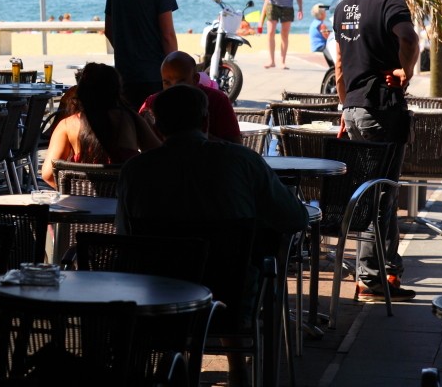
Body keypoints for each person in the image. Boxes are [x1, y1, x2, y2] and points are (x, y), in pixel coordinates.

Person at [115, 84, 307, 387]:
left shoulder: (136, 171)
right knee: (237, 267)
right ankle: (237, 367)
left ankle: (174, 362)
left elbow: (125, 240)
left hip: (160, 304)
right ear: (205, 121)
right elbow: (295, 218)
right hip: (229, 304)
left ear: (159, 126)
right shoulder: (242, 162)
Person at [333, 0, 420, 301]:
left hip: (353, 106)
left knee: (372, 191)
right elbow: (410, 39)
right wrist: (407, 70)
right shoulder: (390, 0)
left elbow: (339, 65)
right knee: (380, 195)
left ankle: (384, 271)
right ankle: (371, 278)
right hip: (380, 107)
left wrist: (344, 107)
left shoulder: (346, 4)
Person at [41, 62, 160, 188]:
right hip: (123, 201)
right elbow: (161, 157)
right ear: (116, 90)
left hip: (83, 203)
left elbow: (48, 174)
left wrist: (74, 191)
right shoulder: (130, 118)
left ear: (82, 91)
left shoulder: (67, 125)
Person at [104, 0, 179, 109]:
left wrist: (129, 53)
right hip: (154, 75)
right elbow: (167, 35)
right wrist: (174, 73)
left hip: (124, 74)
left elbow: (109, 30)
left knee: (130, 128)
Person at [138, 51, 241, 144]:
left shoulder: (217, 100)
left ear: (195, 79)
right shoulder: (152, 104)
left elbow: (235, 144)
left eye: (181, 82)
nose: (174, 88)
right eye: (167, 83)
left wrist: (193, 137)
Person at [262, 0, 303, 69]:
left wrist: (300, 8)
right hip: (272, 5)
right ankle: (271, 61)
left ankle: (283, 61)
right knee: (270, 33)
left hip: (287, 7)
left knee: (284, 35)